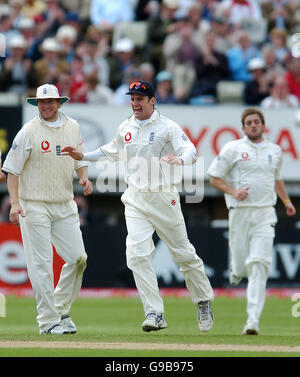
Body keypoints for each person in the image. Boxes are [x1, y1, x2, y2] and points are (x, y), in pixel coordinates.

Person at [62, 81, 214, 333]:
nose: (135, 103)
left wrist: (180, 159)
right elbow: (110, 150)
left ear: (152, 101)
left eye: (140, 99)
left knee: (184, 255)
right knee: (136, 255)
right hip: (135, 198)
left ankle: (203, 300)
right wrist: (83, 156)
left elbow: (191, 150)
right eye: (132, 99)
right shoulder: (126, 127)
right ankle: (154, 312)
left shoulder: (167, 127)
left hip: (164, 197)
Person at [2, 83, 93, 335]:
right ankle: (47, 321)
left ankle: (61, 309)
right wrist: (16, 202)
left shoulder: (72, 127)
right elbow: (12, 169)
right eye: (41, 102)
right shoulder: (28, 131)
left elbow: (80, 158)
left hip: (64, 203)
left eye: (50, 101)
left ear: (59, 103)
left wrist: (84, 177)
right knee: (41, 264)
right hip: (34, 204)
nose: (45, 106)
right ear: (36, 104)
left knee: (78, 258)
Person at [207, 107, 296, 335]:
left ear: (263, 125)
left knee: (259, 263)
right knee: (239, 264)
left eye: (257, 121)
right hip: (240, 211)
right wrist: (233, 190)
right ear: (243, 127)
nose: (253, 125)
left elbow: (276, 179)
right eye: (249, 122)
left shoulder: (274, 150)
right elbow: (214, 178)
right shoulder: (233, 148)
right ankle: (236, 271)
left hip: (265, 213)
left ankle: (252, 320)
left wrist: (286, 201)